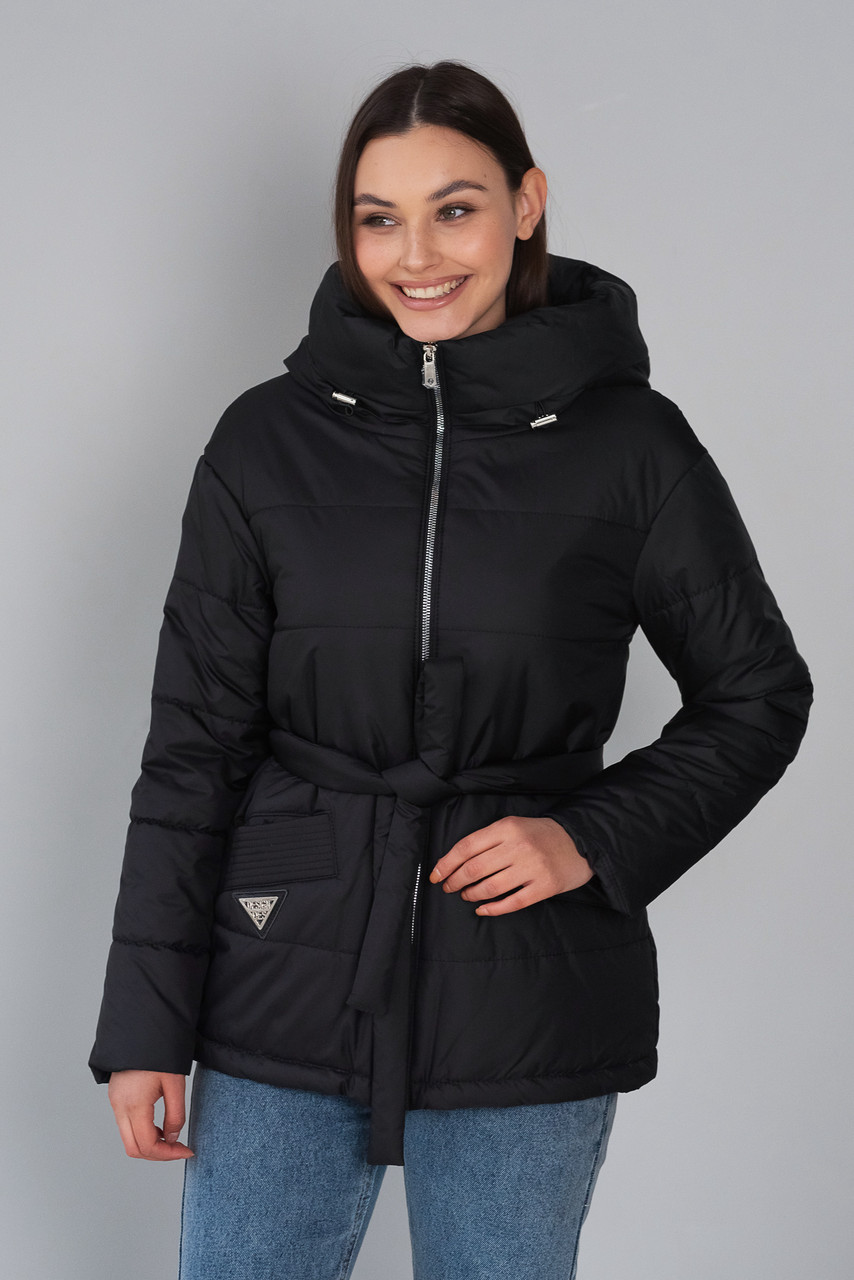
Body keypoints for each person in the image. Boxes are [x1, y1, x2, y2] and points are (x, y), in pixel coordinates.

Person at [89, 60, 813, 1280]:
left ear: (526, 203)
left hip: (526, 984)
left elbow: (757, 694)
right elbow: (193, 748)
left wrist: (588, 837)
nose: (415, 254)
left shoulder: (631, 446)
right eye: (378, 218)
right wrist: (144, 1024)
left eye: (455, 208)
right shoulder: (264, 440)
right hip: (280, 969)